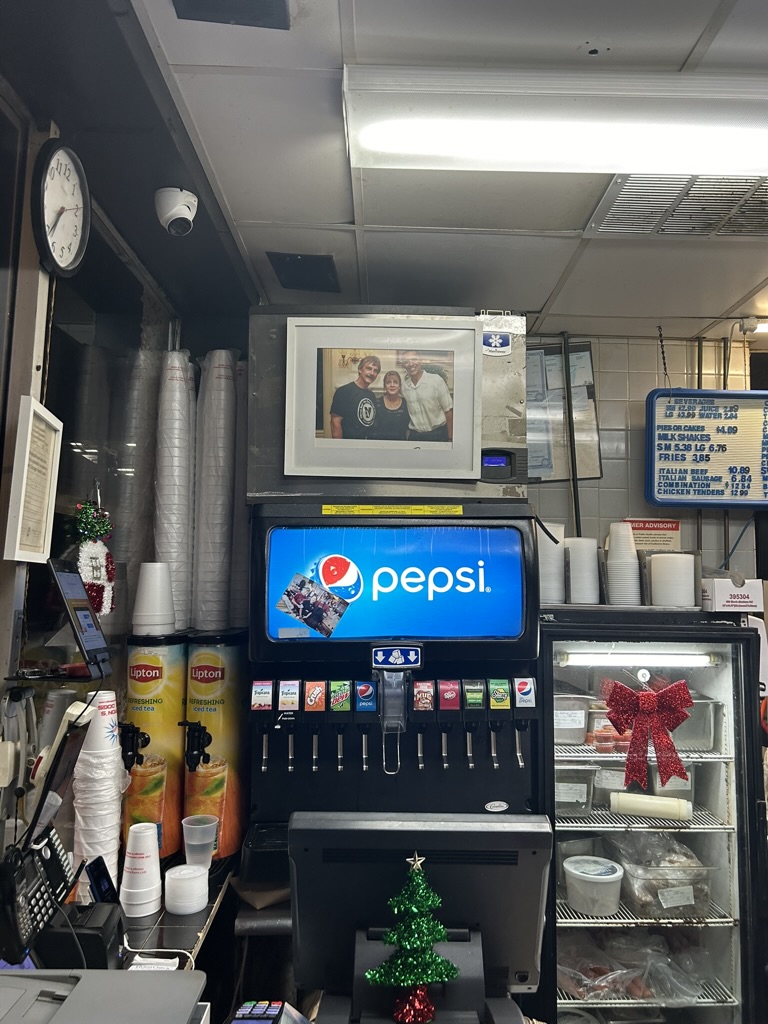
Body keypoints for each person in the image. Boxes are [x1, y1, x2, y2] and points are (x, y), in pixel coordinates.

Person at [402, 350, 453, 442]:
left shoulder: (436, 381)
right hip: (415, 437)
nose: (411, 364)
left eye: (414, 359)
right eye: (406, 361)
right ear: (403, 365)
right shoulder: (404, 387)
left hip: (438, 435)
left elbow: (448, 411)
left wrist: (450, 438)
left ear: (421, 360)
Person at [329, 354, 381, 438]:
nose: (372, 373)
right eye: (368, 368)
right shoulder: (343, 392)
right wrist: (339, 445)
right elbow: (335, 423)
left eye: (375, 371)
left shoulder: (371, 395)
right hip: (349, 444)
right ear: (360, 369)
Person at [374, 370, 410, 440]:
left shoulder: (406, 403)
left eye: (395, 382)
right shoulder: (377, 403)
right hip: (380, 444)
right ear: (385, 386)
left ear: (399, 386)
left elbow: (408, 429)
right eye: (388, 382)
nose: (392, 385)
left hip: (400, 444)